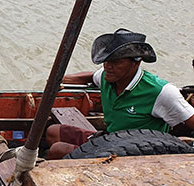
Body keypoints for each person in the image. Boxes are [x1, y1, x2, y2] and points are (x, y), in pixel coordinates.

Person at [46, 28, 194, 159]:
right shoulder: (107, 76)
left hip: (136, 154)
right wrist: (59, 80)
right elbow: (91, 76)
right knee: (53, 132)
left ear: (136, 62)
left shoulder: (162, 92)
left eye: (116, 62)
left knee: (58, 150)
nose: (107, 66)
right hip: (110, 139)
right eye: (106, 61)